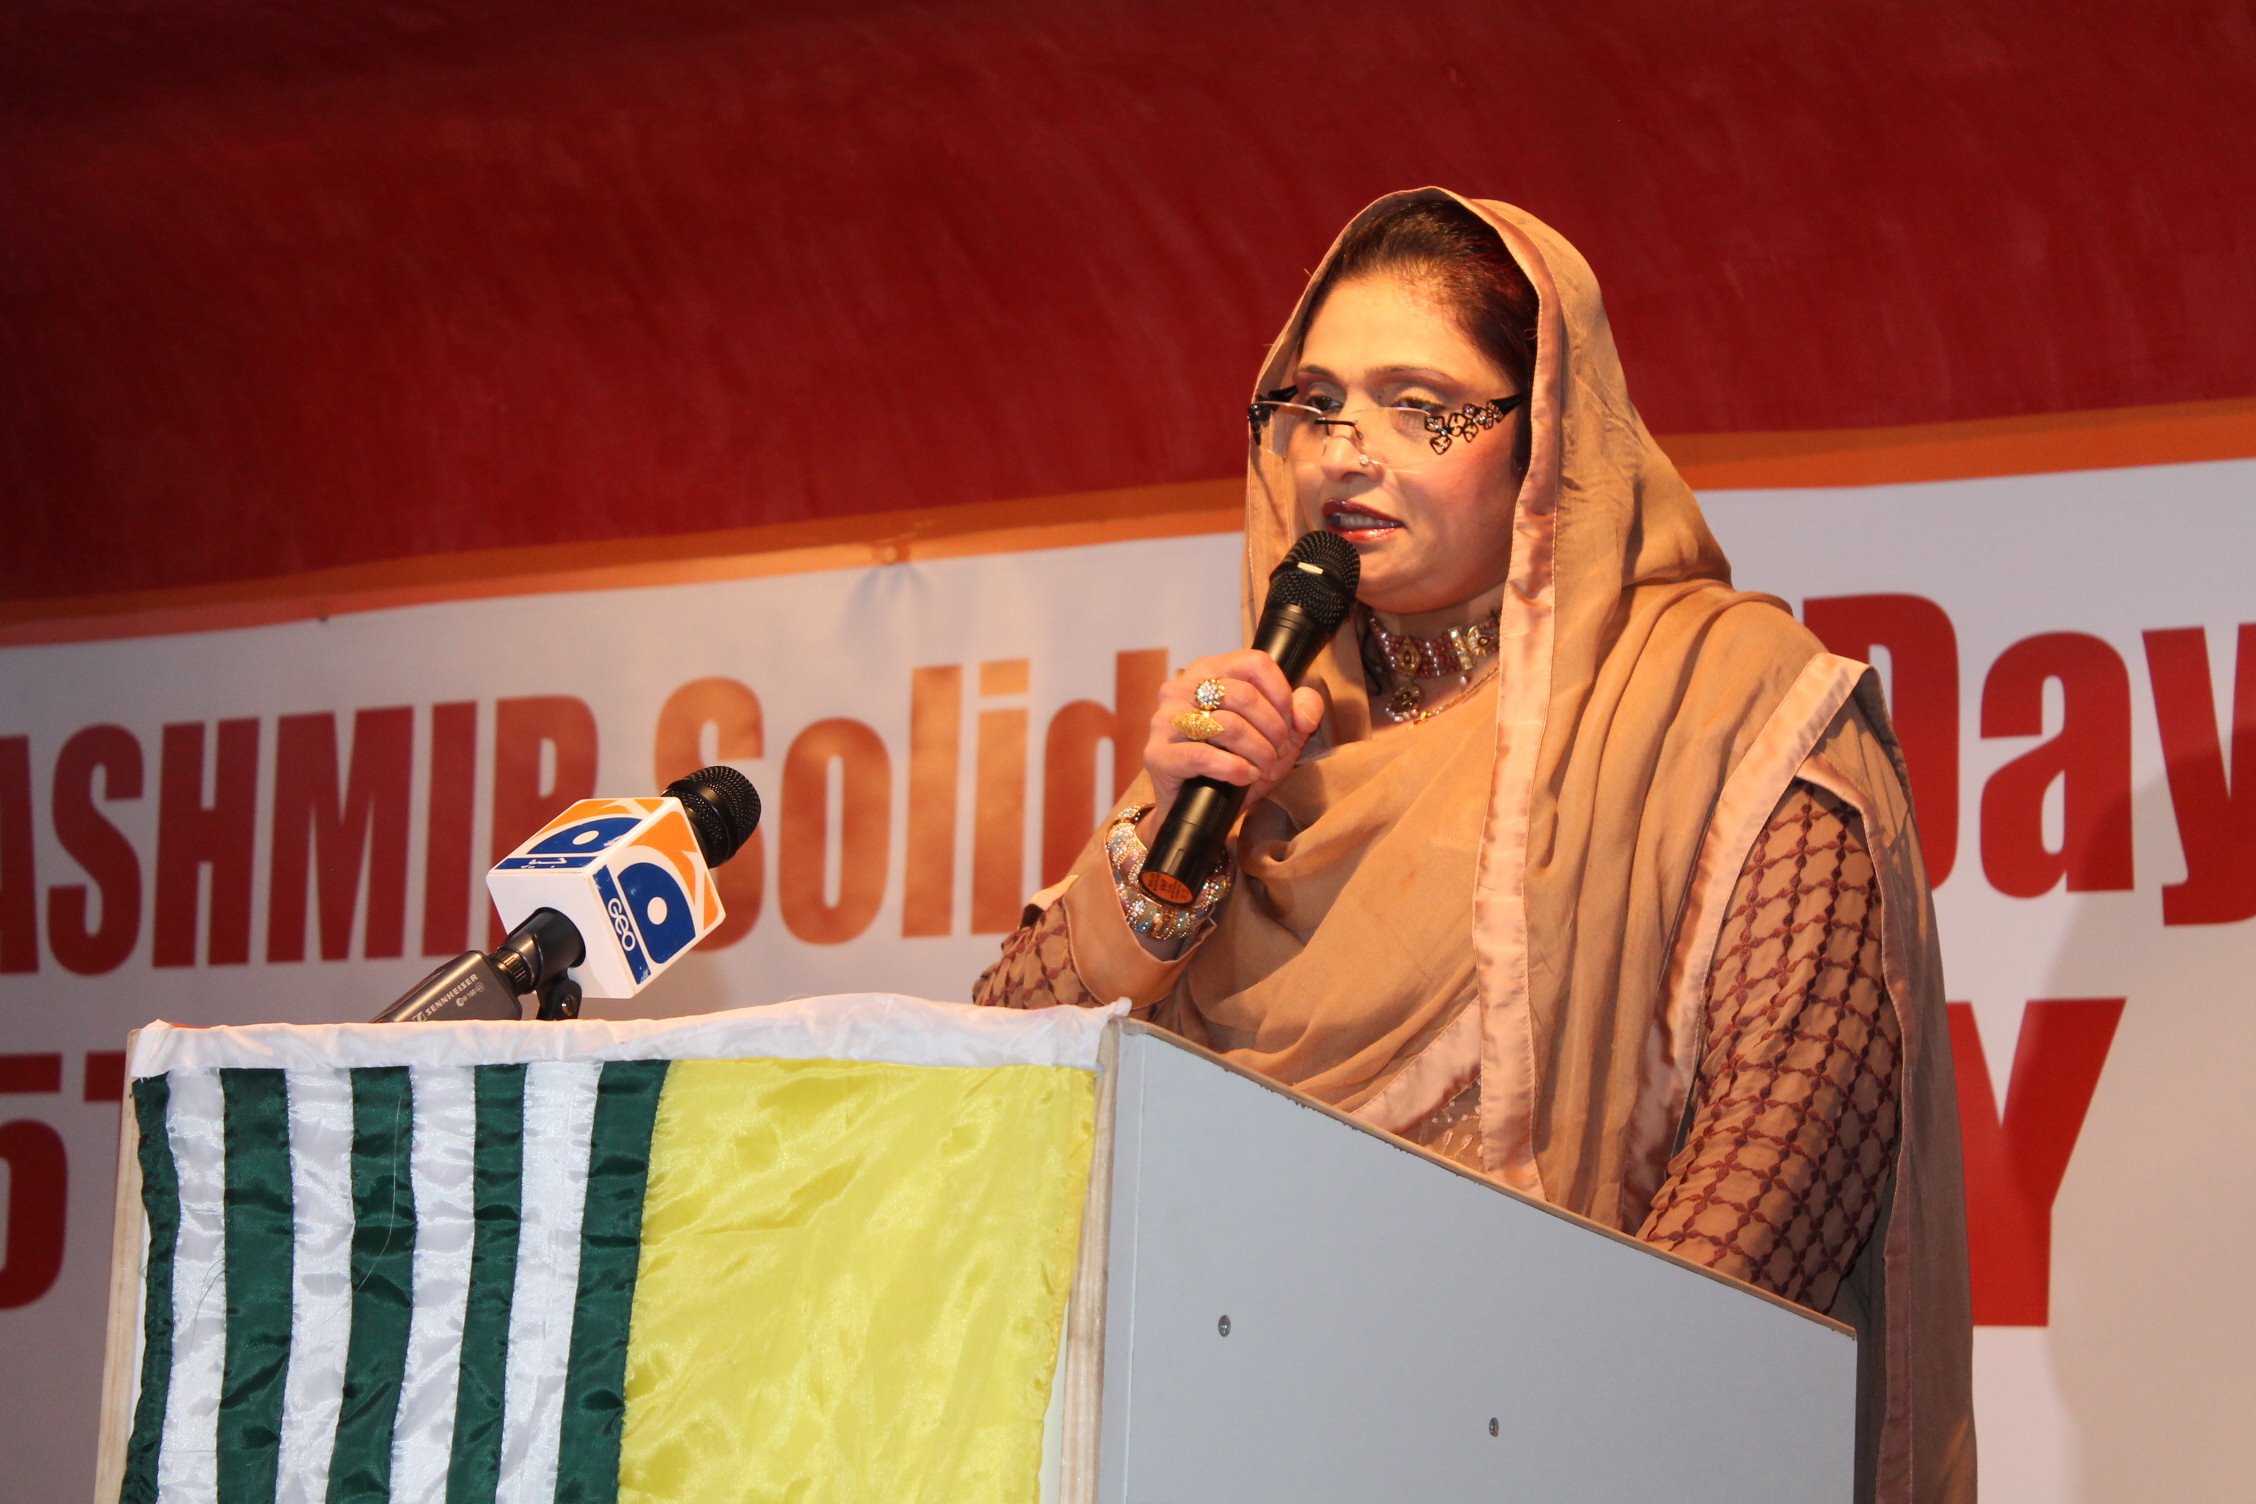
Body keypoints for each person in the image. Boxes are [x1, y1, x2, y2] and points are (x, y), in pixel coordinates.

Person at [973, 190, 1973, 1504]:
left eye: (1419, 407)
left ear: (1545, 434)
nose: (1347, 454)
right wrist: (1170, 837)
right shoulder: (1257, 744)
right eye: (1314, 406)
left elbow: (1787, 1151)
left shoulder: (1733, 711)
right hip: (1214, 1445)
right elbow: (993, 1095)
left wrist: (1563, 1445)